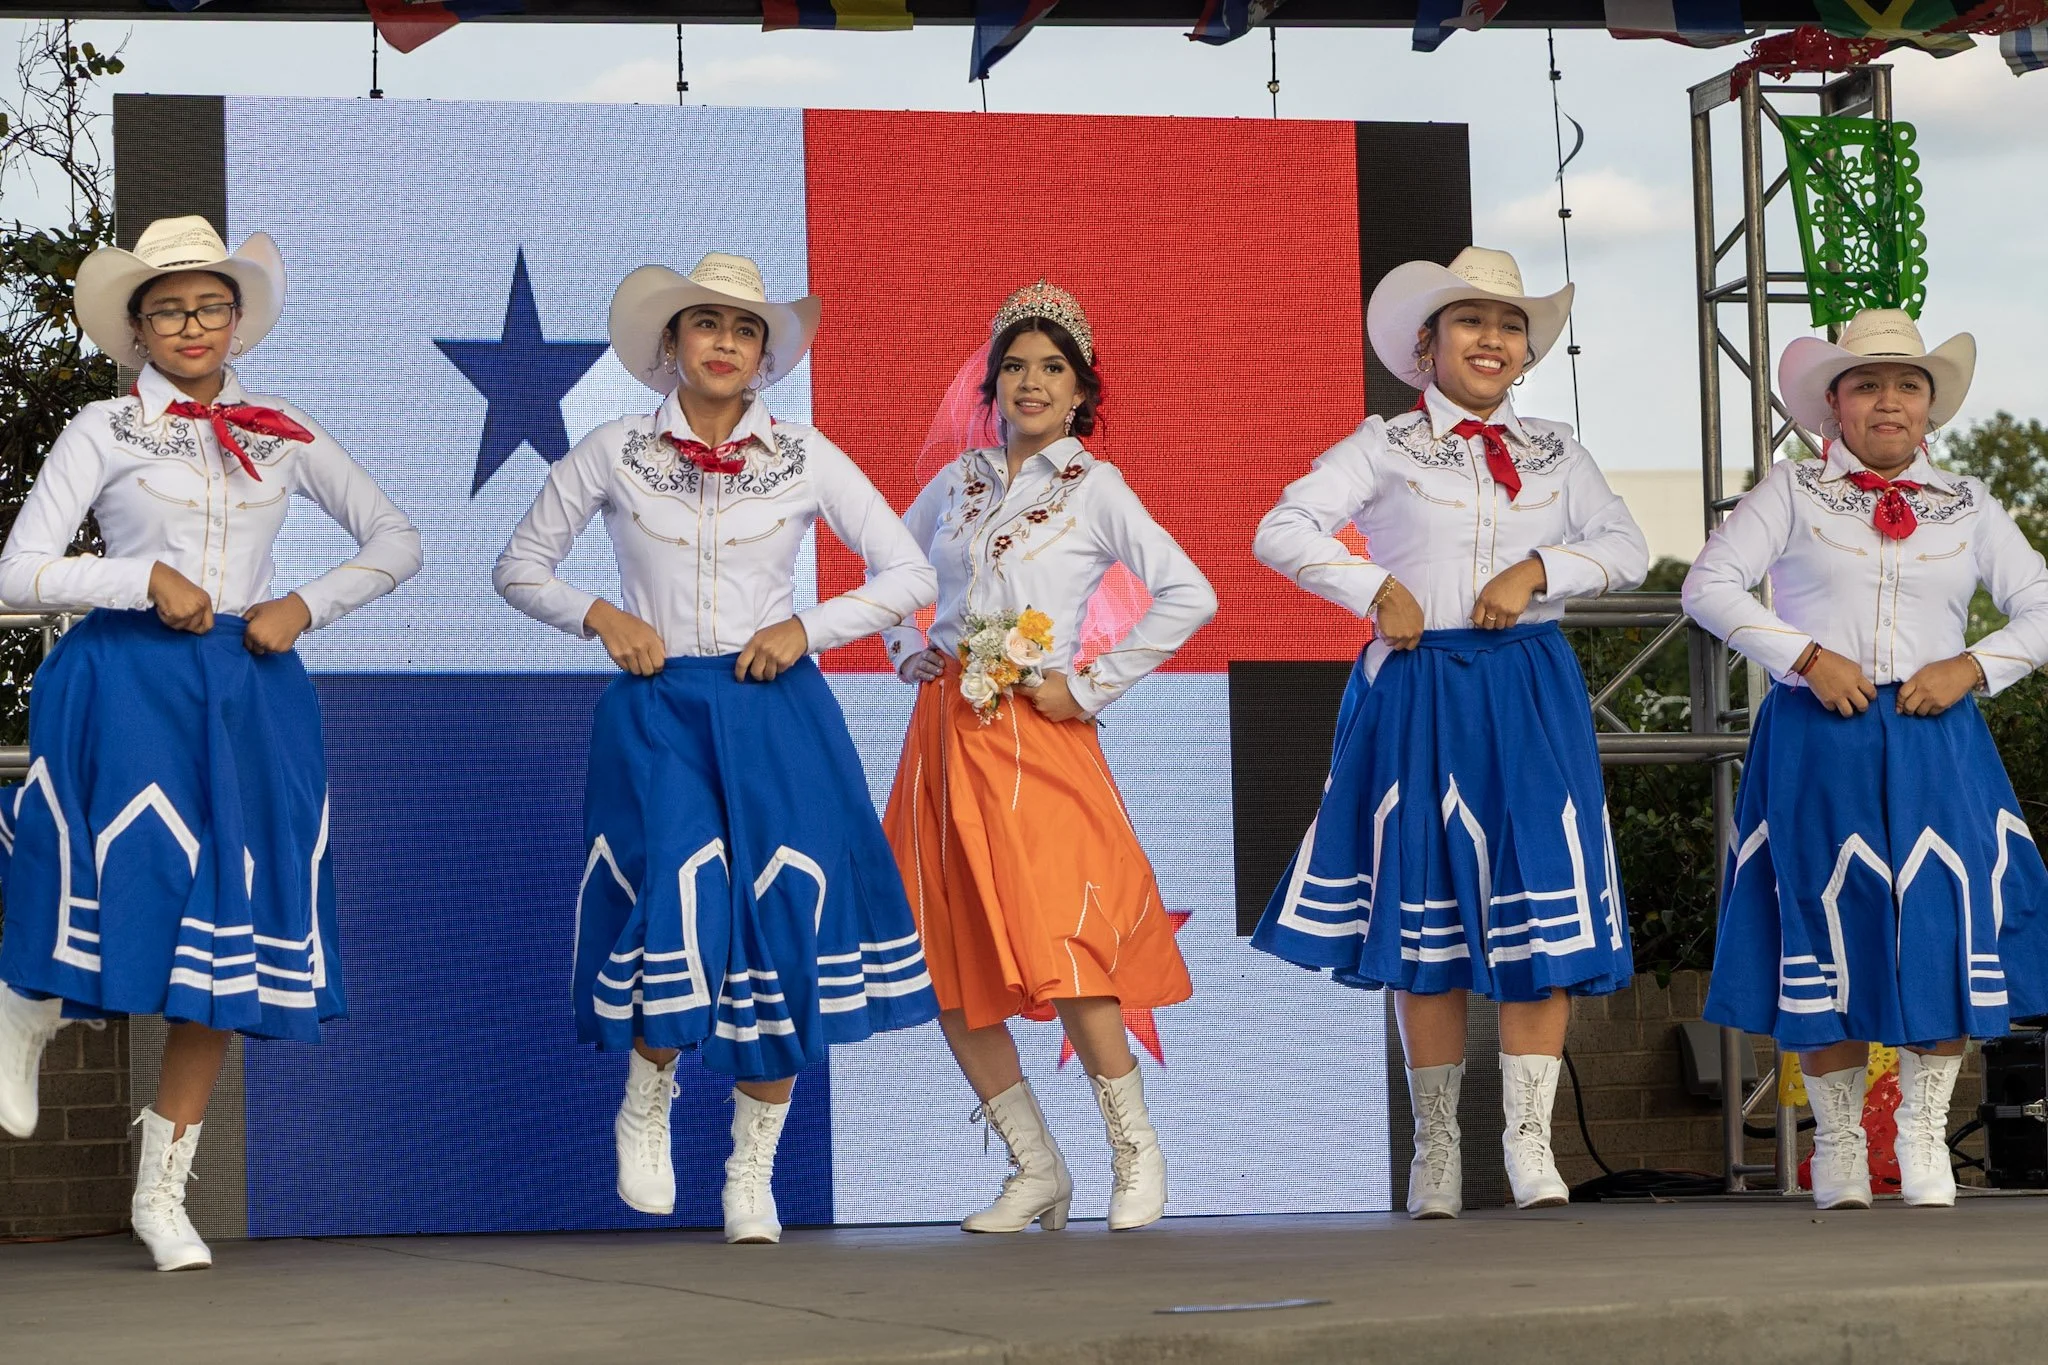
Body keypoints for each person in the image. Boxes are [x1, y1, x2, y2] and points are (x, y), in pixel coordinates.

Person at [0, 215, 422, 1270]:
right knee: (116, 872)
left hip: (248, 687)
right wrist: (139, 579)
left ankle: (162, 1193)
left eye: (210, 305)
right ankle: (25, 1008)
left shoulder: (284, 430)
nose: (193, 324)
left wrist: (305, 607)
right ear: (138, 329)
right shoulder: (103, 427)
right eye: (169, 309)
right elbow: (18, 572)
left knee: (229, 925)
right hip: (129, 673)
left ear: (237, 321)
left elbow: (397, 538)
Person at [494, 253, 939, 1244]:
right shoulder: (611, 449)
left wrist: (807, 629)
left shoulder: (805, 453)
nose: (725, 345)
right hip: (658, 709)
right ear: (670, 344)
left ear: (765, 355)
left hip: (776, 709)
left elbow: (907, 572)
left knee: (782, 923)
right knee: (675, 905)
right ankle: (645, 1104)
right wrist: (599, 614)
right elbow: (518, 566)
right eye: (706, 326)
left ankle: (751, 1172)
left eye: (744, 332)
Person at [1249, 248, 1647, 1219]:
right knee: (1422, 920)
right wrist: (1371, 586)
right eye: (1469, 322)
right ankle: (1434, 1152)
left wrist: (1539, 571)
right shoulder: (1382, 443)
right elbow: (1282, 527)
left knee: (1537, 916)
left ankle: (1526, 1148)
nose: (1491, 339)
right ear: (1423, 345)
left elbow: (1625, 548)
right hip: (1417, 685)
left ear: (1524, 353)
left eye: (1507, 326)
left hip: (1525, 689)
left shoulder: (1558, 449)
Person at [1683, 308, 2048, 1211]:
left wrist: (1973, 665)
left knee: (1943, 919)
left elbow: (2040, 603)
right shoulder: (1793, 490)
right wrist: (1803, 656)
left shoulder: (1970, 503)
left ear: (1930, 408)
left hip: (1936, 734)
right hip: (1818, 729)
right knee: (1824, 921)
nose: (1889, 399)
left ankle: (1922, 1137)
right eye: (1868, 383)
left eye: (1908, 384)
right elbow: (1708, 585)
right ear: (1834, 403)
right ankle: (1840, 1144)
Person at [882, 280, 1217, 1235]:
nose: (1031, 382)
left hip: (1038, 739)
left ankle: (1137, 1154)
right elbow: (893, 579)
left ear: (1080, 392)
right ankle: (1036, 1167)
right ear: (992, 385)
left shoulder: (1094, 486)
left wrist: (1089, 682)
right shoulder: (957, 483)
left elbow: (1189, 594)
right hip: (944, 740)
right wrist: (910, 649)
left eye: (1052, 368)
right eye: (1015, 367)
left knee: (1068, 946)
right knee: (942, 958)